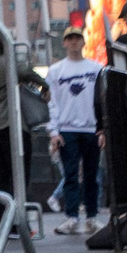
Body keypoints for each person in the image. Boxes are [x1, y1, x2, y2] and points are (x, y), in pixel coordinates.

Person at [0, 31, 47, 218]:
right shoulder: (7, 62)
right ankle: (17, 222)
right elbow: (26, 72)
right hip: (7, 124)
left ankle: (1, 224)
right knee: (18, 175)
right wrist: (44, 85)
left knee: (0, 177)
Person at [45, 31, 106, 233]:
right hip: (67, 129)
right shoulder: (55, 71)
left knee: (92, 175)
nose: (73, 42)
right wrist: (54, 131)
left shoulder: (97, 69)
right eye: (69, 38)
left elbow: (102, 101)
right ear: (64, 43)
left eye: (77, 38)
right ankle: (72, 217)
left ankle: (91, 216)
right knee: (70, 176)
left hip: (91, 128)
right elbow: (51, 103)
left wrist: (103, 128)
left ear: (83, 41)